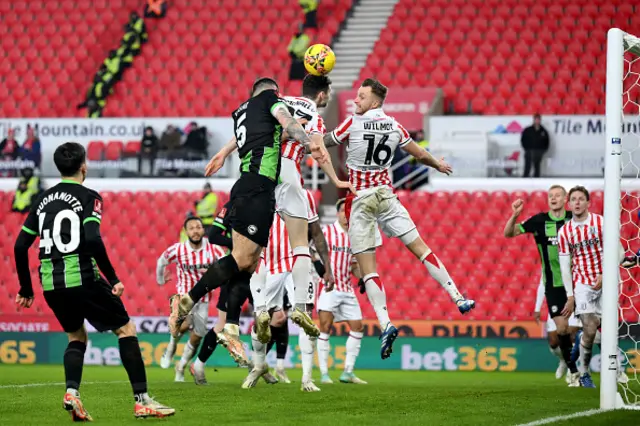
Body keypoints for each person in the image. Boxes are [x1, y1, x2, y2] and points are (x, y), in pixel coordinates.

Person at [168, 77, 326, 362]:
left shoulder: (243, 111)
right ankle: (189, 299)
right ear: (272, 92)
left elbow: (269, 132)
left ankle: (230, 325)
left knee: (252, 261)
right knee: (242, 259)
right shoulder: (271, 101)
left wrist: (221, 153)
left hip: (255, 188)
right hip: (256, 186)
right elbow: (287, 123)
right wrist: (309, 142)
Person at [13, 142, 174, 420]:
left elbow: (19, 246)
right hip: (83, 277)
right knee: (125, 328)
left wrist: (26, 288)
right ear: (83, 166)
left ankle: (72, 393)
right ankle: (142, 400)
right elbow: (91, 239)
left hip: (51, 283)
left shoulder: (41, 200)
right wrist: (113, 278)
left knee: (76, 336)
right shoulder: (90, 197)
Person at [322, 78, 474, 359]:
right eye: (357, 96)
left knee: (369, 269)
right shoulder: (394, 125)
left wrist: (296, 140)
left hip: (361, 199)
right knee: (421, 248)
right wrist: (438, 164)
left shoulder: (352, 123)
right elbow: (419, 153)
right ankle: (458, 296)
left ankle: (385, 323)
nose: (356, 101)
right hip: (386, 195)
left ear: (374, 102)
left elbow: (324, 142)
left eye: (362, 96)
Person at [244, 189, 331, 391]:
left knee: (305, 316)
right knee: (261, 319)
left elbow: (316, 232)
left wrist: (327, 268)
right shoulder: (260, 194)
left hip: (298, 265)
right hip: (269, 266)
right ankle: (259, 366)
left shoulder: (305, 195)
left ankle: (307, 379)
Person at [503, 185, 580, 386]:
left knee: (592, 329)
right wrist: (515, 215)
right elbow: (508, 233)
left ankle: (613, 370)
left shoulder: (574, 219)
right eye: (550, 196)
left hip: (579, 283)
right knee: (562, 330)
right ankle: (572, 369)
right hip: (554, 285)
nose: (553, 199)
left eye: (557, 196)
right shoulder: (539, 221)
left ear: (565, 199)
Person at [558, 186, 625, 388]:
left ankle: (615, 370)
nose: (577, 203)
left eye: (581, 199)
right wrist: (570, 295)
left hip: (608, 279)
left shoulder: (601, 223)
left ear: (588, 202)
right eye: (573, 200)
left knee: (608, 330)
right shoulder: (565, 232)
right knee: (589, 326)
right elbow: (565, 266)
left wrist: (605, 274)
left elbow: (620, 253)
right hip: (583, 283)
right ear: (569, 205)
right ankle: (584, 373)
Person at [156, 216, 226, 382]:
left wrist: (214, 274)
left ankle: (181, 366)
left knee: (197, 337)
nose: (195, 231)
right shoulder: (178, 249)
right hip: (185, 295)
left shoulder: (214, 249)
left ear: (203, 230)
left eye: (198, 227)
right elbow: (161, 261)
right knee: (184, 323)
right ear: (186, 232)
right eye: (191, 228)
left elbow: (226, 269)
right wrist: (160, 280)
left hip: (204, 300)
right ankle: (171, 346)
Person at [317, 198, 367, 385]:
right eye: (343, 212)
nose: (346, 216)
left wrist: (362, 277)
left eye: (349, 212)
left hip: (347, 289)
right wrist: (322, 274)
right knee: (325, 328)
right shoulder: (327, 232)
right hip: (330, 288)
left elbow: (353, 265)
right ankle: (324, 374)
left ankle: (348, 372)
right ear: (337, 213)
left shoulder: (354, 237)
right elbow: (315, 255)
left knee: (358, 327)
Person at [532, 278, 581, 382]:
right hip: (556, 301)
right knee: (554, 342)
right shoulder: (549, 264)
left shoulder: (574, 262)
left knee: (572, 335)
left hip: (573, 301)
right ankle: (563, 359)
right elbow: (542, 284)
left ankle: (572, 368)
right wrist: (537, 308)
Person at [521, 113, 549, 178]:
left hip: (539, 152)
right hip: (529, 151)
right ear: (533, 120)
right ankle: (525, 177)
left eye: (538, 119)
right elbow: (523, 140)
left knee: (537, 166)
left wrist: (543, 150)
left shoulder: (543, 131)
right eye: (536, 119)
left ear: (540, 120)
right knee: (527, 165)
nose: (537, 121)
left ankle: (537, 178)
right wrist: (526, 148)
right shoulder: (528, 130)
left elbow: (547, 142)